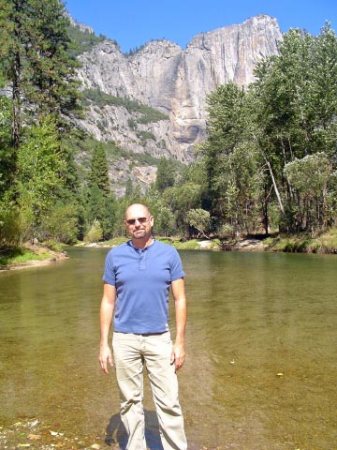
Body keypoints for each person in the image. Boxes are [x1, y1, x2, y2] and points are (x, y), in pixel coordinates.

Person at [99, 203, 188, 450]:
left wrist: (179, 342)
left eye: (141, 219)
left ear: (151, 220)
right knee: (129, 401)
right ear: (125, 226)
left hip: (160, 339)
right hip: (124, 339)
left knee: (169, 402)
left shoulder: (170, 254)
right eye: (131, 221)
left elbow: (180, 299)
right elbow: (108, 301)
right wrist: (103, 345)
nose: (137, 224)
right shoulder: (114, 256)